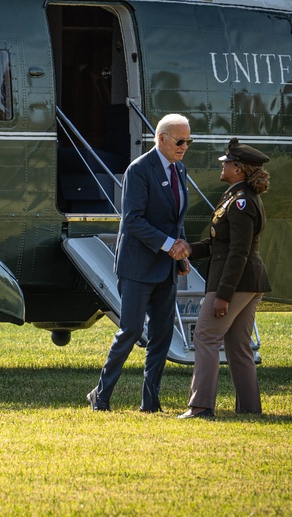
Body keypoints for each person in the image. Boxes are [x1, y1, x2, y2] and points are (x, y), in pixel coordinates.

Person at [87, 114, 192, 413]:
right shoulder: (139, 170)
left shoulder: (180, 169)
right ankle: (101, 395)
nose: (185, 147)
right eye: (180, 141)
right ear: (162, 139)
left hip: (167, 266)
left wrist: (180, 252)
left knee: (162, 335)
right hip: (137, 266)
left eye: (188, 141)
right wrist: (170, 245)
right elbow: (132, 221)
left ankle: (151, 403)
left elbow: (176, 218)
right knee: (131, 330)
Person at [178, 138, 272, 418]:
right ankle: (249, 408)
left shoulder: (241, 202)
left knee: (205, 337)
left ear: (239, 169)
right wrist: (190, 250)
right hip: (248, 282)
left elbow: (238, 252)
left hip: (236, 283)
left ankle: (201, 406)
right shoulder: (236, 196)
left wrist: (223, 295)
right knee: (238, 345)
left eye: (227, 162)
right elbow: (221, 244)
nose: (222, 165)